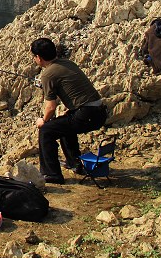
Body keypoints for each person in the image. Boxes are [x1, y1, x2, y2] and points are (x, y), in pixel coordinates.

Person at [30, 37, 108, 184]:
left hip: (87, 114)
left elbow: (50, 107)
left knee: (46, 130)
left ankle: (51, 174)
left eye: (34, 57)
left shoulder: (47, 74)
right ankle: (74, 163)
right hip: (99, 112)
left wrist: (43, 121)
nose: (34, 59)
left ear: (38, 57)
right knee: (63, 124)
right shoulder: (67, 63)